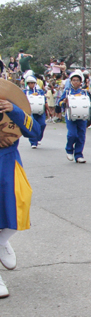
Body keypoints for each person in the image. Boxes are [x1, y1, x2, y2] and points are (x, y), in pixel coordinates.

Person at [0, 81, 43, 298]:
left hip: (8, 162)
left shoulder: (12, 100)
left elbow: (35, 132)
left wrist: (13, 109)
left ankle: (1, 241)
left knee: (20, 206)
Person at [58, 71, 90, 163]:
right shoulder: (67, 91)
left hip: (82, 117)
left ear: (81, 82)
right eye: (74, 80)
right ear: (71, 81)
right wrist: (63, 102)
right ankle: (69, 150)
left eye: (77, 80)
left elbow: (88, 103)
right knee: (72, 134)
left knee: (81, 136)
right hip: (71, 116)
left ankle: (79, 154)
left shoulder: (84, 92)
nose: (75, 82)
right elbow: (59, 103)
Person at [23, 75, 47, 149]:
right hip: (30, 112)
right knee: (32, 125)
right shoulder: (25, 92)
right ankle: (33, 142)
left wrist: (48, 111)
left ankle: (38, 138)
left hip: (40, 111)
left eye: (32, 83)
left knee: (42, 124)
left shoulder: (40, 91)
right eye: (29, 83)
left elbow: (45, 101)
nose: (31, 85)